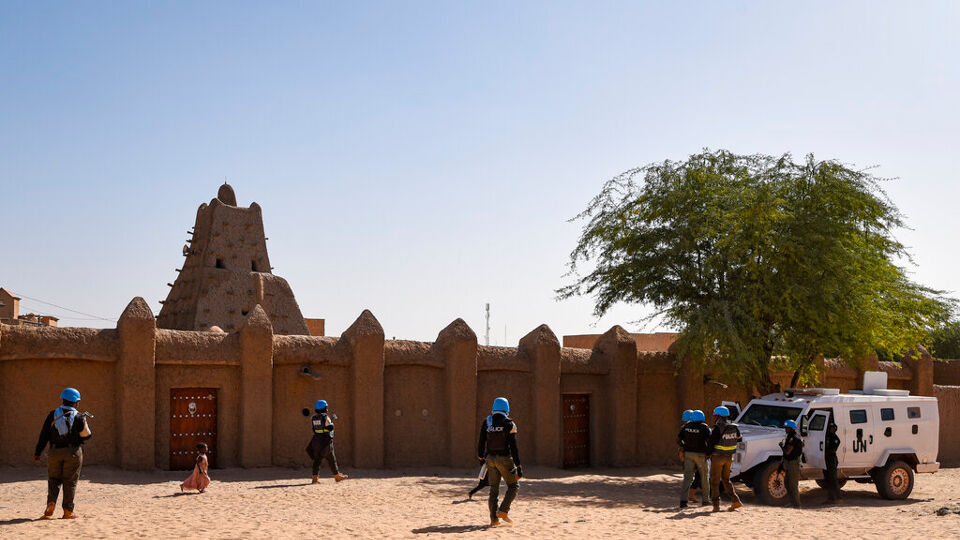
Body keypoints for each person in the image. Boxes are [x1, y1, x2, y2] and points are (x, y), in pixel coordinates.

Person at [34, 387, 92, 519]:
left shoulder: (52, 414)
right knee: (70, 481)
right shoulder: (79, 416)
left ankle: (51, 503)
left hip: (54, 452)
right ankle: (68, 511)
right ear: (76, 402)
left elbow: (44, 435)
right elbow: (87, 436)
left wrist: (37, 453)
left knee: (54, 480)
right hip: (73, 453)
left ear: (63, 399)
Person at [477, 397, 522, 528]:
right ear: (507, 409)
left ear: (494, 408)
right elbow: (514, 447)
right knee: (513, 486)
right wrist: (518, 466)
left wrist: (481, 458)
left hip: (490, 459)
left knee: (493, 489)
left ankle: (494, 520)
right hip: (505, 459)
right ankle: (503, 511)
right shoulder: (510, 424)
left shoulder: (487, 421)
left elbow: (481, 442)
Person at [707, 405, 742, 512]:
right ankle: (736, 501)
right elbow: (740, 439)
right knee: (726, 480)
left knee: (714, 481)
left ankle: (716, 505)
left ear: (718, 416)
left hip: (718, 458)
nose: (714, 416)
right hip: (729, 458)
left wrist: (707, 454)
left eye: (715, 415)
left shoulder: (717, 428)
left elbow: (711, 443)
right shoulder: (734, 427)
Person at [305, 400, 348, 483]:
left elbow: (314, 430)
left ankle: (315, 478)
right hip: (325, 441)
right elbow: (330, 428)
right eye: (326, 407)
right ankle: (337, 476)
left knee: (317, 460)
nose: (327, 409)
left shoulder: (313, 418)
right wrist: (331, 423)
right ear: (324, 408)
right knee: (332, 459)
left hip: (316, 441)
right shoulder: (325, 417)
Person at [678, 409, 711, 508]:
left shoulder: (686, 427)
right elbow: (709, 441)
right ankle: (705, 501)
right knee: (704, 478)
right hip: (701, 455)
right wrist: (708, 453)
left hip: (688, 454)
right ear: (702, 417)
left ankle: (683, 502)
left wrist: (684, 447)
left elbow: (678, 439)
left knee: (687, 478)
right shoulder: (704, 427)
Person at [780, 419, 804, 508]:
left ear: (791, 428)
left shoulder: (794, 437)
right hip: (789, 462)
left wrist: (781, 447)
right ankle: (792, 502)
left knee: (793, 484)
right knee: (787, 483)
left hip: (793, 463)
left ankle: (797, 504)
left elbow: (787, 452)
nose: (785, 429)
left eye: (787, 428)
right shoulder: (791, 436)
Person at [822, 422, 844, 504]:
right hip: (826, 459)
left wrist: (825, 453)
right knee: (827, 479)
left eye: (832, 428)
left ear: (835, 429)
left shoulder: (835, 439)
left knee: (833, 479)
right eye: (830, 427)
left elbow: (833, 450)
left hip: (831, 459)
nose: (830, 429)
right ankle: (831, 498)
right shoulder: (827, 436)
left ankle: (839, 497)